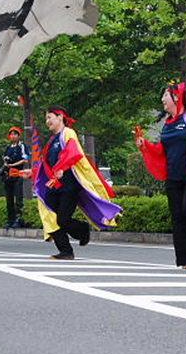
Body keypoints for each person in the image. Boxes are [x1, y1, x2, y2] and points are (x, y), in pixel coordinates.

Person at [137, 83, 186, 268]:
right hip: (174, 177)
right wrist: (145, 145)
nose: (163, 100)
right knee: (178, 218)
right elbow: (161, 151)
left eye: (165, 95)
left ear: (176, 98)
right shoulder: (168, 124)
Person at [33, 106, 122, 259]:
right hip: (55, 184)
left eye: (49, 117)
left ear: (60, 117)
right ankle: (66, 250)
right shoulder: (52, 140)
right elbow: (46, 164)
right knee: (50, 215)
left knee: (62, 219)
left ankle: (81, 232)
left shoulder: (68, 133)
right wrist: (33, 173)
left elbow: (73, 152)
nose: (47, 121)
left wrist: (62, 167)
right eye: (46, 118)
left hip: (69, 184)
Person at [3, 126, 29, 229]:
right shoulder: (8, 148)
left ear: (19, 135)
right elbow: (5, 159)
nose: (13, 136)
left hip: (18, 174)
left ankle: (19, 219)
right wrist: (6, 164)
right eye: (11, 134)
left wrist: (13, 165)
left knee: (18, 198)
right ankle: (10, 219)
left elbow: (25, 159)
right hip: (8, 175)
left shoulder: (22, 146)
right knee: (9, 198)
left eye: (15, 134)